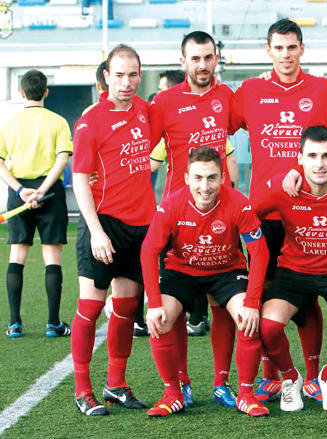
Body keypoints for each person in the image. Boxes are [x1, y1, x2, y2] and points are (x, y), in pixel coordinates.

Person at [229, 18, 327, 404]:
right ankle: (274, 376)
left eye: (292, 47)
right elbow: (218, 131)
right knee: (263, 292)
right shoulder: (249, 91)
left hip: (308, 211)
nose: (286, 54)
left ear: (302, 49)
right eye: (278, 48)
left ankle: (313, 375)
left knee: (308, 296)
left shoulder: (323, 89)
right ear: (268, 51)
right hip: (263, 213)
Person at [140, 146, 269, 418]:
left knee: (248, 319)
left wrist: (252, 302)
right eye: (198, 178)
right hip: (182, 270)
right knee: (160, 320)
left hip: (226, 270)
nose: (205, 186)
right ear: (186, 177)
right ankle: (173, 392)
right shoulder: (172, 204)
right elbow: (149, 251)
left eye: (211, 178)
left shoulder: (237, 202)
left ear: (223, 177)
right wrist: (153, 303)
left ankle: (244, 393)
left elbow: (259, 251)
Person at [149, 30, 241, 409]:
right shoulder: (163, 102)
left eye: (208, 57)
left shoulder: (228, 98)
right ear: (183, 60)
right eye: (195, 58)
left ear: (216, 58)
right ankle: (182, 384)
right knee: (179, 303)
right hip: (179, 215)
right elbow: (140, 149)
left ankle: (222, 383)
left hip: (222, 212)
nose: (202, 65)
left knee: (222, 302)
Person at [254, 125, 327, 412]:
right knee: (267, 327)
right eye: (312, 156)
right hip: (294, 270)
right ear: (300, 158)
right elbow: (250, 213)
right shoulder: (285, 188)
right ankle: (292, 379)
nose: (319, 164)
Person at [70, 44, 155, 416]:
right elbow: (78, 180)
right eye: (119, 74)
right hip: (103, 225)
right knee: (90, 308)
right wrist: (97, 232)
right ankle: (82, 389)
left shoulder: (147, 112)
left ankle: (116, 385)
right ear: (106, 75)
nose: (126, 82)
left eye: (133, 74)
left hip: (141, 227)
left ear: (140, 74)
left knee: (125, 308)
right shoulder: (91, 120)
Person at [0, 69, 72, 338]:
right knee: (51, 258)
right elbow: (62, 159)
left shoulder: (9, 124)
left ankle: (14, 324)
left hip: (17, 192)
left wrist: (20, 190)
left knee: (17, 256)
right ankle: (53, 324)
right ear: (46, 92)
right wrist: (41, 190)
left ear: (22, 93)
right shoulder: (59, 122)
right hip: (49, 193)